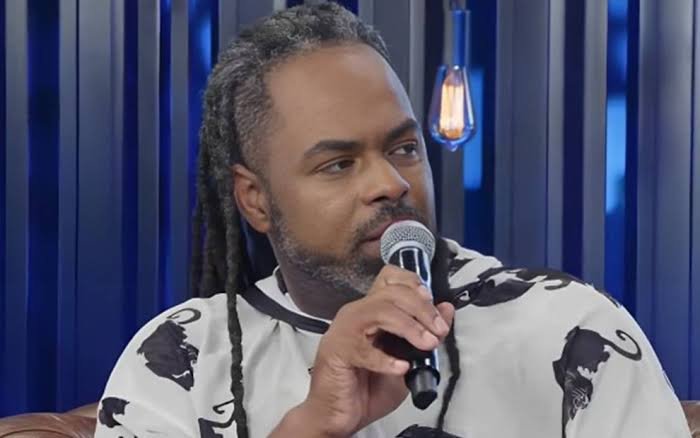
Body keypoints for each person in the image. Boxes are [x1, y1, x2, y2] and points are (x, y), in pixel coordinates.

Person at [95, 3, 691, 437]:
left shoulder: (572, 329)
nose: (391, 183)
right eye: (338, 164)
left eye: (404, 148)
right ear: (254, 199)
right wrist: (312, 425)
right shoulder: (179, 359)